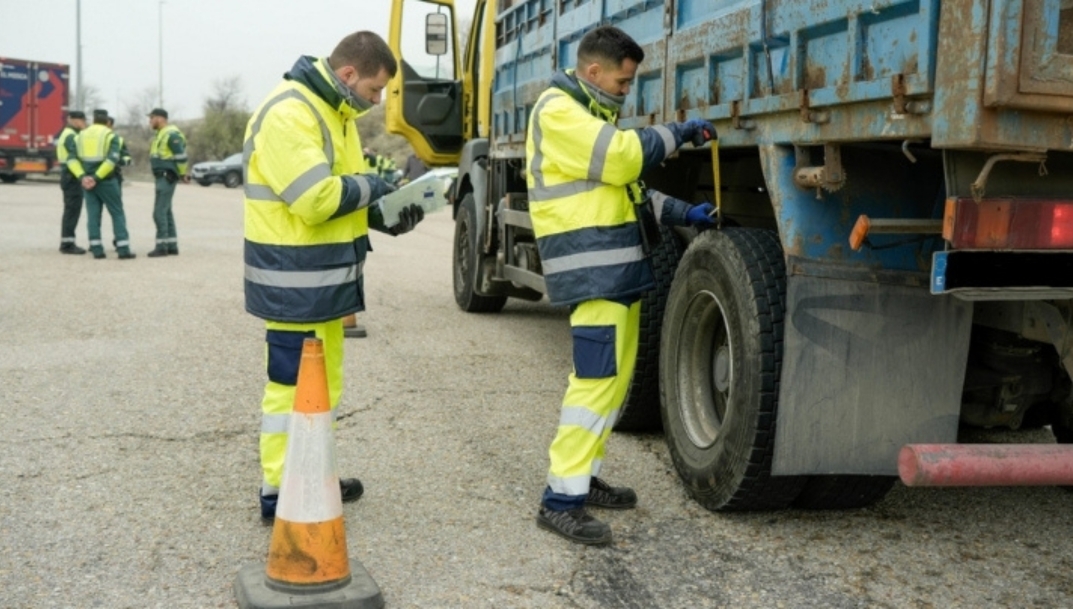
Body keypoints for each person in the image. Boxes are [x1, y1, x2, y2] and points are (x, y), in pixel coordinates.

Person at [525, 26, 717, 545]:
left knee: (612, 381)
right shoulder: (558, 111)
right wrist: (679, 133)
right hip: (592, 271)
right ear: (593, 72)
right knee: (593, 385)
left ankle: (581, 479)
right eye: (623, 80)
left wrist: (683, 212)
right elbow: (625, 158)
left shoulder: (589, 115)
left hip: (614, 268)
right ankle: (559, 500)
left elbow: (630, 190)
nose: (626, 89)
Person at [243, 30, 426, 523]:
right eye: (373, 91)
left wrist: (387, 213)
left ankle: (311, 473)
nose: (376, 102)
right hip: (292, 282)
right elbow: (315, 198)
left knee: (323, 388)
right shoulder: (291, 111)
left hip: (322, 280)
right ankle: (279, 490)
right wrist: (371, 185)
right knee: (289, 389)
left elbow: (343, 199)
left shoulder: (334, 112)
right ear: (348, 75)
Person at [65, 109, 135, 260]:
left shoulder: (80, 136)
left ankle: (97, 249)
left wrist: (83, 177)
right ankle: (123, 250)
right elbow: (111, 161)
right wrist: (96, 177)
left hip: (87, 183)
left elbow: (71, 160)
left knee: (93, 215)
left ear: (93, 119)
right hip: (107, 181)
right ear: (107, 121)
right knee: (117, 213)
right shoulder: (111, 136)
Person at [147, 108, 188, 257]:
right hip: (161, 177)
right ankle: (172, 245)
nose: (150, 121)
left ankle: (161, 246)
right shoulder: (161, 134)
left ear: (161, 118)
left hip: (167, 177)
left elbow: (181, 157)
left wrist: (182, 173)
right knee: (166, 212)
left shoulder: (171, 135)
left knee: (159, 212)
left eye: (152, 118)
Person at [55, 111, 88, 254]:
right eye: (83, 121)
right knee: (72, 210)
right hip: (71, 176)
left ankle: (67, 241)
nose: (84, 124)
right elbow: (76, 156)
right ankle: (67, 244)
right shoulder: (71, 136)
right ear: (75, 121)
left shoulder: (67, 133)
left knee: (71, 209)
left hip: (68, 175)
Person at [104, 116, 133, 193]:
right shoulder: (93, 138)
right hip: (95, 175)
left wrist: (119, 161)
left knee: (115, 203)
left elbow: (127, 157)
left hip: (114, 175)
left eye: (107, 125)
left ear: (111, 125)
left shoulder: (119, 140)